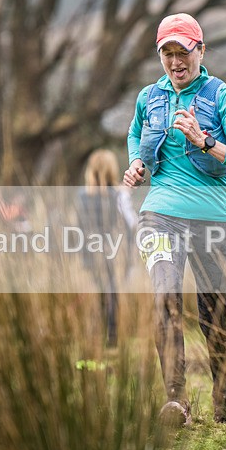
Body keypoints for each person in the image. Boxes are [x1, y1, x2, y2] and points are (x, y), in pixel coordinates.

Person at [123, 13, 226, 426]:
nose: (176, 61)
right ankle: (175, 401)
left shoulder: (224, 97)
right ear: (160, 55)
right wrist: (136, 162)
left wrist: (207, 142)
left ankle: (225, 400)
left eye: (183, 51)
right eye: (168, 52)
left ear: (201, 50)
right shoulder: (149, 97)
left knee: (211, 316)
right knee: (165, 298)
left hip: (215, 221)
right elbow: (135, 134)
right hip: (159, 215)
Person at [77, 149, 137, 347]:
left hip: (90, 254)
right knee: (113, 293)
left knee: (101, 292)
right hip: (116, 252)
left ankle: (101, 334)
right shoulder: (119, 195)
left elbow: (79, 227)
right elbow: (131, 224)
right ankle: (112, 338)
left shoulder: (81, 196)